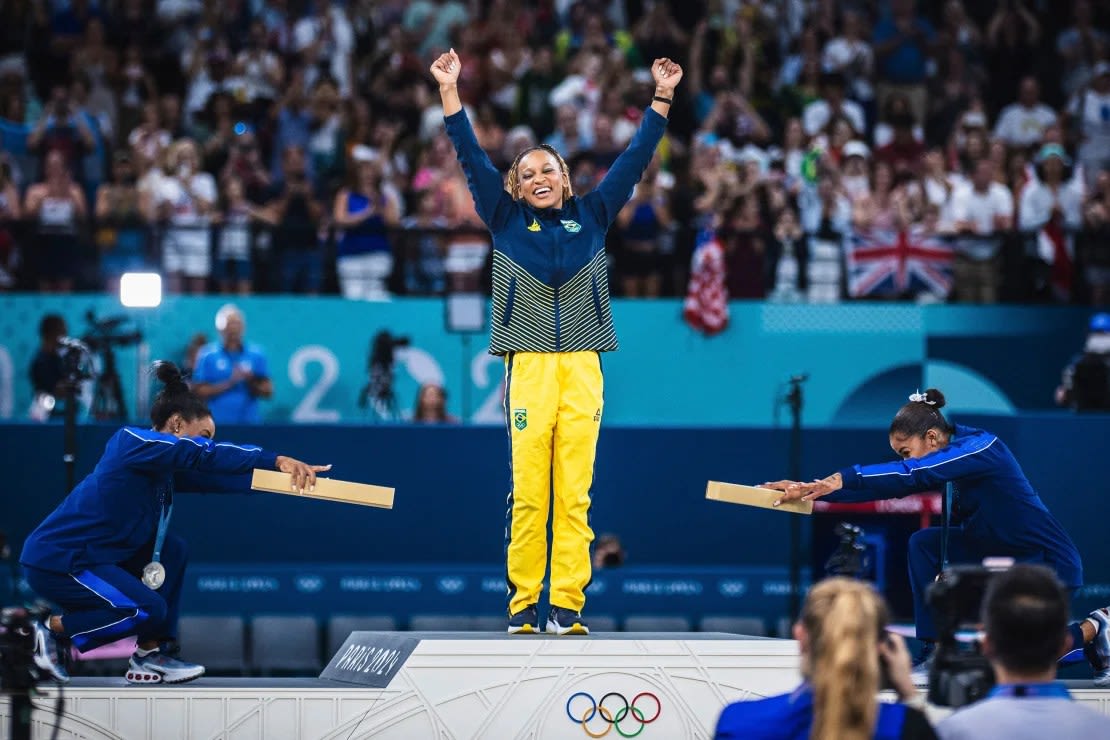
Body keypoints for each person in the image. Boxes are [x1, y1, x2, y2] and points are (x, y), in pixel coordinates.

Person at [431, 48, 683, 636]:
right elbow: (470, 156)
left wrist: (661, 99)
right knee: (529, 494)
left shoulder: (593, 215)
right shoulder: (504, 219)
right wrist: (450, 92)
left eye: (548, 170)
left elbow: (636, 158)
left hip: (585, 369)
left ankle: (567, 605)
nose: (539, 179)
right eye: (528, 175)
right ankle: (523, 606)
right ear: (516, 190)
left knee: (574, 496)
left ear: (565, 179)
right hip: (530, 370)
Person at [764, 388, 1109, 680]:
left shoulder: (983, 446)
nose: (903, 460)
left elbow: (912, 473)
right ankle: (935, 648)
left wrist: (840, 478)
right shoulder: (943, 462)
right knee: (923, 544)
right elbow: (894, 484)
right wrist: (813, 488)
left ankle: (1097, 626)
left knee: (1019, 661)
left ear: (932, 437)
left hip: (1048, 564)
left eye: (905, 451)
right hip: (993, 557)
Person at [22, 361, 328, 684]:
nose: (208, 444)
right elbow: (205, 456)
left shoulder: (166, 473)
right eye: (205, 436)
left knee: (173, 550)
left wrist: (286, 481)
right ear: (178, 425)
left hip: (92, 559)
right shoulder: (130, 442)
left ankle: (151, 654)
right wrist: (275, 458)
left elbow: (220, 478)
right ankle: (47, 629)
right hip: (57, 558)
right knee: (144, 608)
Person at [714, 577, 936, 740]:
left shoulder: (738, 722)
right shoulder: (906, 727)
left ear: (800, 636)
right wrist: (908, 692)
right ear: (883, 648)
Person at [936, 565, 1110, 739]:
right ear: (1066, 643)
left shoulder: (950, 732)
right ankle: (1096, 625)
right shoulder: (1102, 730)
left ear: (986, 644)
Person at [191, 304, 272, 424]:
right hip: (216, 423)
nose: (233, 329)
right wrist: (230, 382)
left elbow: (268, 392)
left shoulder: (257, 354)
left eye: (237, 324)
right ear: (220, 329)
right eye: (229, 324)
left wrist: (251, 379)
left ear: (243, 327)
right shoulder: (207, 354)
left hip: (250, 423)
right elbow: (198, 392)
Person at [1055, 312, 1110, 411]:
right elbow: (1065, 395)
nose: (1100, 338)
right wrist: (1066, 394)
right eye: (1097, 333)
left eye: (1104, 333)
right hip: (1084, 416)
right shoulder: (1077, 364)